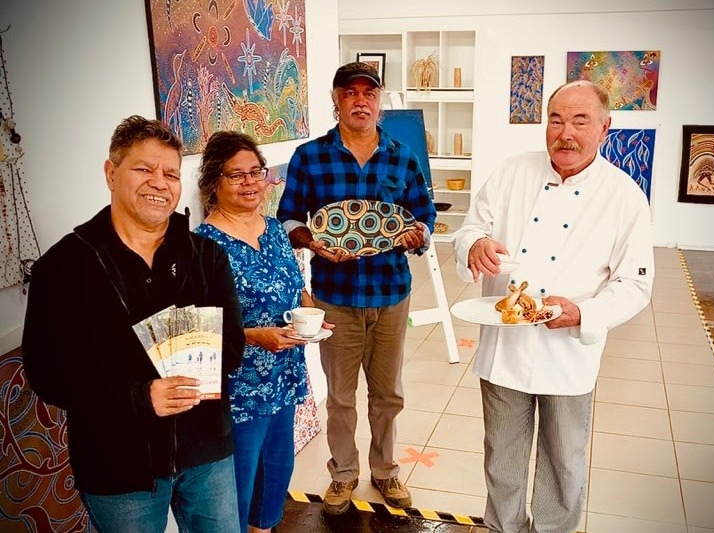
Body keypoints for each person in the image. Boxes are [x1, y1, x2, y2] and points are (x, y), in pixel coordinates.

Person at [22, 115, 245, 533]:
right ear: (111, 172)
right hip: (118, 466)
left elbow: (231, 349)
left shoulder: (206, 257)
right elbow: (47, 375)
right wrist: (139, 397)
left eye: (171, 174)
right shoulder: (64, 267)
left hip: (207, 453)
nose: (159, 183)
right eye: (144, 168)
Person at [452, 80, 654, 533]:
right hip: (503, 349)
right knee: (501, 459)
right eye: (556, 119)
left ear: (605, 128)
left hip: (568, 354)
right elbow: (468, 229)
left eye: (580, 121)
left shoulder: (624, 197)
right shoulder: (511, 172)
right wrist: (474, 245)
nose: (565, 132)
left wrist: (584, 313)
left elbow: (636, 286)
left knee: (563, 465)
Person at [276, 61, 436, 514]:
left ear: (379, 99)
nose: (360, 100)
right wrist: (313, 243)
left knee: (388, 395)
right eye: (350, 92)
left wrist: (417, 236)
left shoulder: (403, 156)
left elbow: (424, 216)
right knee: (341, 396)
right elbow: (288, 218)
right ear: (336, 99)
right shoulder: (310, 157)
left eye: (369, 92)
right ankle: (344, 475)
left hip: (391, 293)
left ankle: (385, 472)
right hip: (335, 296)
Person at [195, 130, 330, 533]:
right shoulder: (203, 245)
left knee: (277, 469)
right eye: (236, 175)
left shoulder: (273, 230)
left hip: (284, 373)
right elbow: (201, 323)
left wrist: (310, 310)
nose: (250, 182)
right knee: (237, 481)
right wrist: (255, 335)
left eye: (256, 172)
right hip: (239, 387)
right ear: (213, 182)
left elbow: (295, 282)